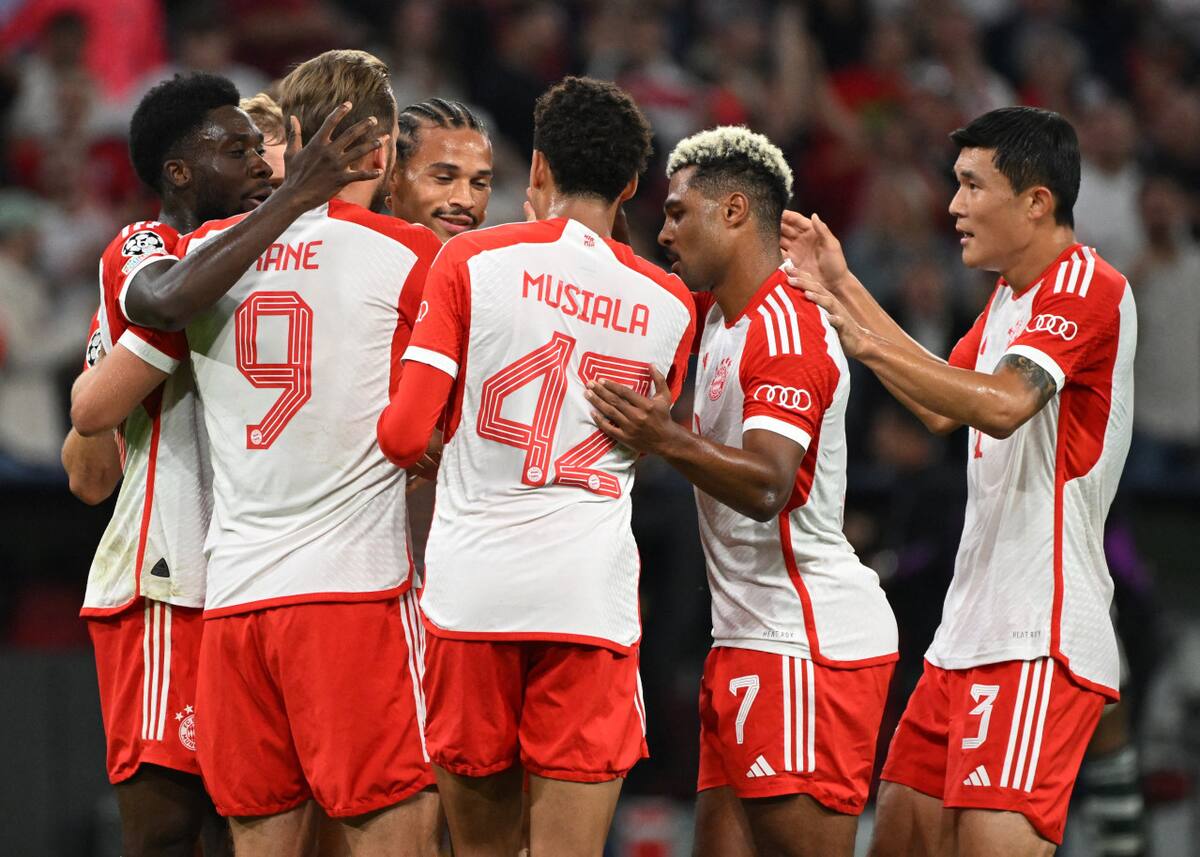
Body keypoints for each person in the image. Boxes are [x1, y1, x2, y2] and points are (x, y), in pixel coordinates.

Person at [786, 106, 1136, 856]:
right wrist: (843, 286)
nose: (953, 207)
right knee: (900, 838)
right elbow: (940, 403)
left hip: (1038, 632)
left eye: (973, 186)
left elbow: (1003, 405)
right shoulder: (1011, 298)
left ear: (1036, 201)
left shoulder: (1087, 284)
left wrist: (861, 338)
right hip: (965, 634)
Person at [377, 75, 695, 857]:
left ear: (539, 169)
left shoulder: (470, 261)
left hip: (472, 596)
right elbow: (648, 434)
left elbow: (402, 432)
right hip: (589, 601)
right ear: (629, 184)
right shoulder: (673, 304)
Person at [64, 71, 378, 857]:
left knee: (268, 820)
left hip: (261, 575)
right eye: (240, 151)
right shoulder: (150, 248)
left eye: (267, 152)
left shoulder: (270, 255)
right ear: (180, 170)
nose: (265, 169)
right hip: (172, 574)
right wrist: (291, 203)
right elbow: (94, 442)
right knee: (172, 828)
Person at [584, 126, 897, 857]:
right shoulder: (723, 317)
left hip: (802, 641)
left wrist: (665, 439)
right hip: (747, 634)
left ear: (733, 213)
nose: (665, 232)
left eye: (676, 213)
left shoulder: (787, 328)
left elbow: (767, 484)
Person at [167, 50, 442, 857]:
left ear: (287, 138)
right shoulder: (411, 255)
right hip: (352, 595)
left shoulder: (206, 255)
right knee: (396, 832)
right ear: (383, 151)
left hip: (236, 601)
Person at [387, 97, 493, 243]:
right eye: (444, 178)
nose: (466, 201)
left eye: (479, 184)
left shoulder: (507, 264)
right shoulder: (353, 259)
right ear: (393, 176)